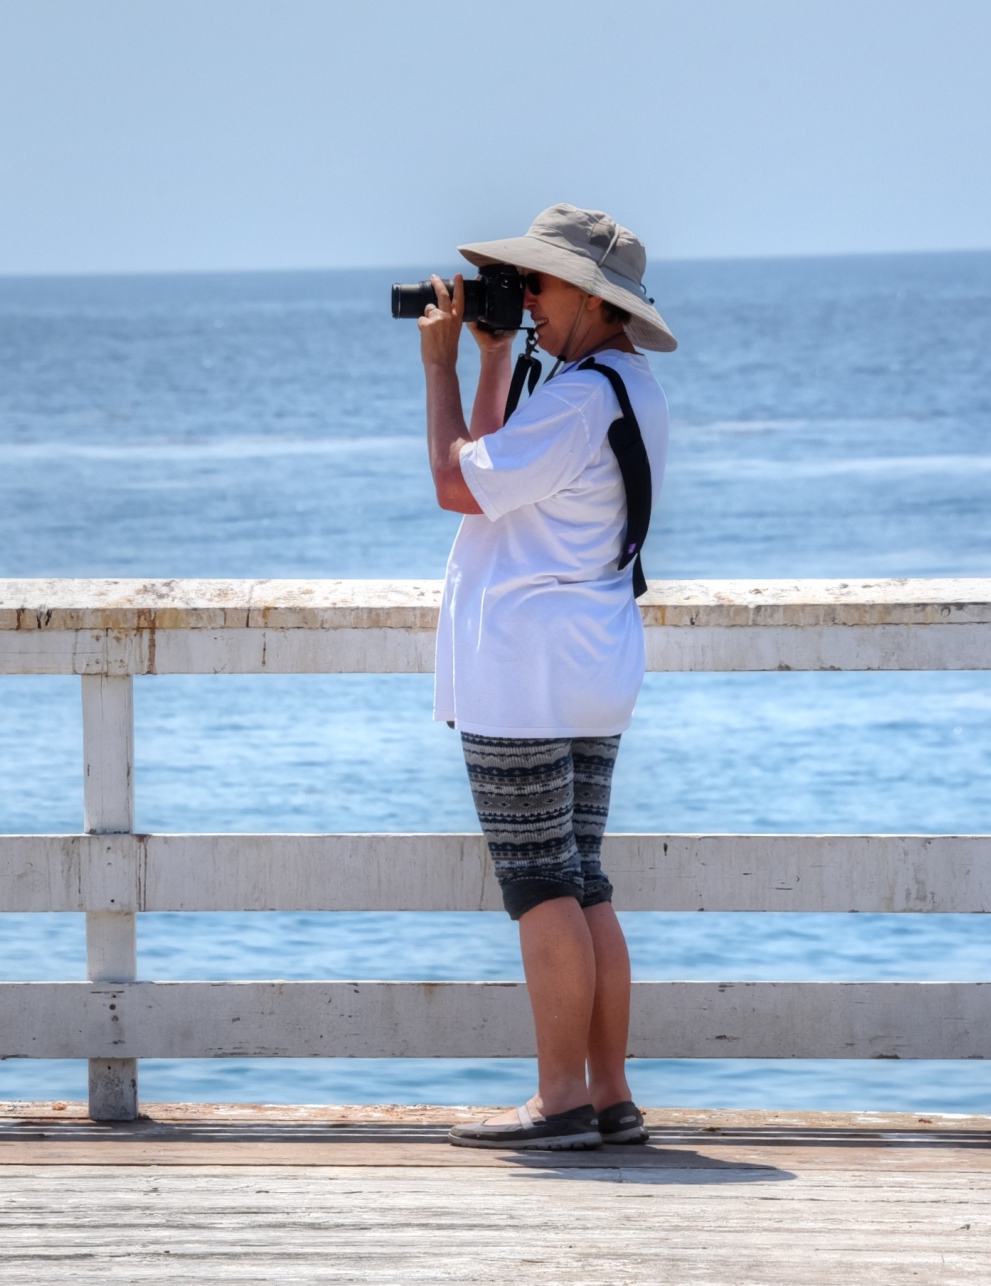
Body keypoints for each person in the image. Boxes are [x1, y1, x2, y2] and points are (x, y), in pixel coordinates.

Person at [419, 204, 675, 1150]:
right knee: (582, 879)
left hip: (527, 671)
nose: (523, 297)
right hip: (591, 661)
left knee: (539, 884)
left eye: (538, 283)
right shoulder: (619, 385)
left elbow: (455, 483)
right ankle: (608, 1094)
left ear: (591, 296)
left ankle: (558, 1098)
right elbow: (492, 478)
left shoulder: (574, 400)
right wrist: (492, 361)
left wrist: (440, 369)